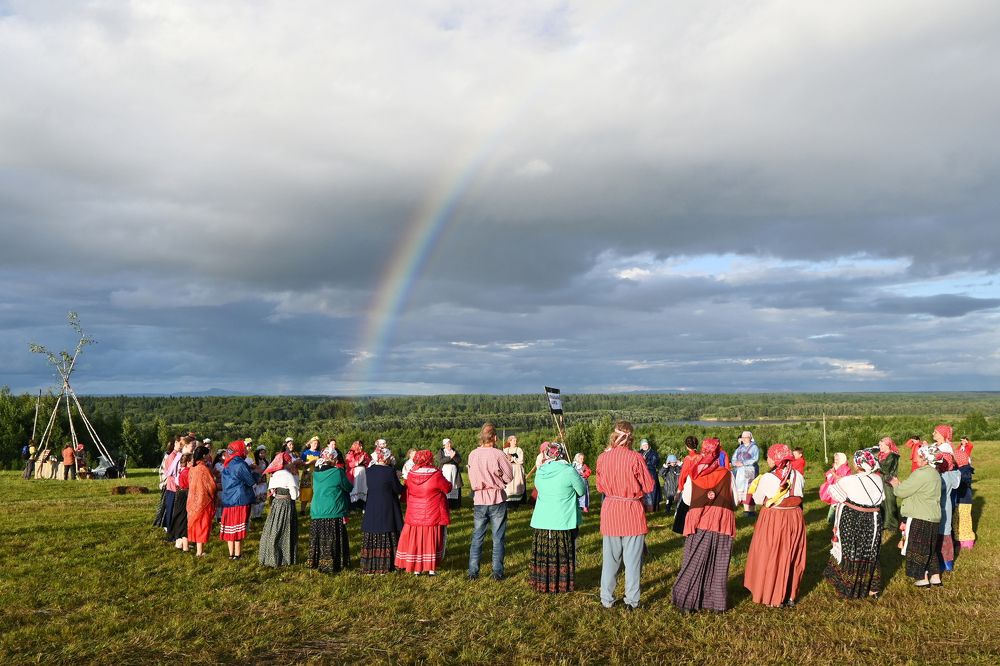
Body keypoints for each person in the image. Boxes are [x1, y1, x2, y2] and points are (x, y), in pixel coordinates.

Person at [671, 438, 737, 614]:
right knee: (719, 563)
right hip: (721, 521)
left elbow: (687, 500)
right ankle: (716, 603)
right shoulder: (727, 474)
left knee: (694, 561)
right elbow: (735, 500)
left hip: (699, 521)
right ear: (718, 453)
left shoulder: (694, 474)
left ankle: (687, 601)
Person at [597, 421, 654, 610]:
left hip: (611, 511)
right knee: (632, 562)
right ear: (631, 438)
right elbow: (649, 486)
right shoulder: (635, 458)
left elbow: (599, 487)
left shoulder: (602, 458)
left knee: (610, 561)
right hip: (632, 512)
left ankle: (606, 599)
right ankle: (632, 601)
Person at [743, 444, 806, 608]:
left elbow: (757, 499)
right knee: (791, 553)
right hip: (795, 516)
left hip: (775, 517)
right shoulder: (798, 475)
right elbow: (800, 495)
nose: (768, 459)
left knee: (771, 552)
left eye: (770, 457)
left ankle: (771, 594)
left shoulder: (768, 478)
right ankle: (789, 594)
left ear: (776, 460)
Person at [823, 448, 885, 599]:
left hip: (852, 518)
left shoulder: (849, 480)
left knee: (850, 550)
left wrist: (835, 479)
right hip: (874, 519)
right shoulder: (878, 479)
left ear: (858, 465)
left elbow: (833, 493)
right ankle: (872, 588)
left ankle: (849, 588)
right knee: (870, 551)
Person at [530, 442, 586, 593]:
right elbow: (581, 491)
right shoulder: (569, 471)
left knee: (544, 555)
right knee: (563, 554)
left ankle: (543, 583)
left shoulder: (541, 471)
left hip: (542, 520)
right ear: (562, 454)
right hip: (563, 520)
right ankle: (561, 585)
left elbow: (539, 488)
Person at [891, 443, 943, 588]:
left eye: (919, 456)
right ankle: (935, 577)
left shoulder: (921, 473)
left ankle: (922, 578)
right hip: (933, 516)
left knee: (917, 548)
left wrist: (896, 484)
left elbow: (901, 492)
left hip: (920, 516)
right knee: (930, 548)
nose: (916, 458)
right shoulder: (935, 473)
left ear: (926, 459)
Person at [466, 424, 514, 580]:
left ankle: (473, 572)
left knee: (477, 537)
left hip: (479, 498)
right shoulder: (498, 454)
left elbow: (471, 475)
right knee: (498, 538)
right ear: (495, 438)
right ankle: (497, 573)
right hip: (496, 498)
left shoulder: (473, 454)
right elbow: (509, 477)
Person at [396, 450, 452, 575]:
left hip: (415, 512)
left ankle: (417, 569)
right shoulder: (436, 474)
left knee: (416, 540)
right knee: (430, 539)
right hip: (432, 511)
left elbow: (406, 492)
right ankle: (431, 569)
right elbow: (447, 488)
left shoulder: (411, 474)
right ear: (430, 460)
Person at [360, 446, 404, 574]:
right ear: (385, 458)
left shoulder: (368, 471)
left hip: (372, 504)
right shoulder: (389, 471)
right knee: (387, 529)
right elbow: (398, 489)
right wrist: (399, 480)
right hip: (387, 504)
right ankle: (388, 563)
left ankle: (370, 565)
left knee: (373, 530)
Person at [309, 448, 354, 573]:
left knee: (320, 538)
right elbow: (348, 487)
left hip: (318, 509)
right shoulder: (338, 472)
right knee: (333, 538)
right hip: (333, 509)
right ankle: (334, 563)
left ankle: (317, 561)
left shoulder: (315, 474)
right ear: (333, 459)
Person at [258, 451, 300, 567]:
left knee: (274, 529)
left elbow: (272, 491)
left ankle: (270, 556)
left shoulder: (274, 475)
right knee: (286, 530)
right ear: (286, 463)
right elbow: (294, 496)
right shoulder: (288, 475)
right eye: (290, 462)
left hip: (276, 504)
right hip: (286, 505)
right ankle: (283, 558)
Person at [220, 440, 257, 561]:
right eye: (244, 448)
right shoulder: (240, 464)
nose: (246, 450)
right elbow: (250, 481)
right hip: (240, 499)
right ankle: (238, 554)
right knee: (239, 528)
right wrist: (257, 473)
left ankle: (231, 554)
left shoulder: (227, 464)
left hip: (228, 500)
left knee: (231, 528)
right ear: (239, 450)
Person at [186, 446, 217, 557]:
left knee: (196, 525)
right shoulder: (203, 469)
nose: (209, 456)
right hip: (203, 501)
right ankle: (200, 551)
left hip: (192, 500)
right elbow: (211, 486)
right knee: (202, 526)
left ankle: (198, 550)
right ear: (204, 455)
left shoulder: (192, 468)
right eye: (208, 454)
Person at [948, 429, 976, 551]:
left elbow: (958, 483)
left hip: (962, 500)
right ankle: (962, 541)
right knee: (962, 520)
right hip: (964, 500)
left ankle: (965, 541)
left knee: (961, 520)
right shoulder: (966, 469)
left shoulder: (962, 472)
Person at [935, 442, 960, 571]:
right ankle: (948, 562)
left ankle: (941, 561)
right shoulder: (953, 475)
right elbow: (956, 484)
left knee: (939, 534)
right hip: (947, 507)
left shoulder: (939, 476)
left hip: (937, 507)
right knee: (946, 533)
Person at [672, 436, 701, 534]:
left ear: (687, 446)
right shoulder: (701, 456)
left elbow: (683, 475)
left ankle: (685, 529)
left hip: (691, 484)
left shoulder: (688, 458)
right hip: (701, 485)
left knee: (685, 508)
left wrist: (679, 490)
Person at [169, 453, 194, 551]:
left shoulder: (182, 471)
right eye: (192, 461)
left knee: (182, 519)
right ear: (188, 462)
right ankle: (185, 546)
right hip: (185, 496)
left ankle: (182, 544)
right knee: (184, 520)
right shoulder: (187, 472)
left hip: (181, 495)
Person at [732, 431, 760, 516]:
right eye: (743, 437)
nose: (744, 439)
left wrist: (743, 463)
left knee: (749, 489)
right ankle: (746, 509)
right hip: (739, 471)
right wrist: (735, 463)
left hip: (750, 470)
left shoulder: (754, 447)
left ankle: (751, 510)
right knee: (741, 489)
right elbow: (733, 458)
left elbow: (755, 459)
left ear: (750, 438)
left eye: (746, 437)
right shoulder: (740, 448)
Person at [876, 438, 901, 533]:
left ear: (888, 445)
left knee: (890, 501)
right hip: (881, 480)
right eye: (879, 445)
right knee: (882, 501)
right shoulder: (881, 455)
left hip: (889, 481)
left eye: (881, 445)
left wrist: (875, 464)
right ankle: (884, 522)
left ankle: (893, 524)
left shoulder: (893, 456)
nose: (879, 447)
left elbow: (886, 469)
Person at [820, 452, 851, 523]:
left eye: (837, 459)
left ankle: (834, 521)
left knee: (835, 510)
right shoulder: (836, 467)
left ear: (842, 459)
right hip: (835, 492)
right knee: (835, 508)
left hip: (841, 492)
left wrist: (833, 473)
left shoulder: (845, 468)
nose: (835, 461)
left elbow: (841, 479)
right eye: (835, 459)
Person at [436, 438, 464, 510]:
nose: (449, 445)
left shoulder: (454, 451)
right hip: (445, 472)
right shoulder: (441, 451)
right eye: (447, 444)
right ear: (444, 445)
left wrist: (454, 456)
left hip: (454, 472)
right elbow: (441, 460)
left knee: (454, 486)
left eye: (450, 443)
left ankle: (454, 504)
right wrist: (450, 457)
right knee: (445, 486)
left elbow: (459, 460)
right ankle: (445, 503)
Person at [299, 436, 322, 516]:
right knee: (306, 491)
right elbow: (301, 463)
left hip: (316, 474)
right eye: (314, 443)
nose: (316, 445)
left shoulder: (319, 453)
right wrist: (310, 463)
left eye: (317, 444)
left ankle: (314, 510)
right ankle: (302, 510)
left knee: (315, 491)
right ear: (310, 444)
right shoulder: (305, 453)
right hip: (307, 475)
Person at [346, 441, 371, 510]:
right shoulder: (350, 453)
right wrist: (359, 462)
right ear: (356, 446)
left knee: (363, 488)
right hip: (354, 475)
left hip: (363, 474)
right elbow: (349, 464)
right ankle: (353, 506)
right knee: (355, 488)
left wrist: (365, 461)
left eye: (362, 446)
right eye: (360, 446)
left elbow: (369, 462)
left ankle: (362, 505)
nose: (361, 447)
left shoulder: (364, 453)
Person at [638, 439, 662, 513]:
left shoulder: (653, 453)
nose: (645, 446)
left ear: (648, 445)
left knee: (652, 490)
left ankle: (653, 507)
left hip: (651, 473)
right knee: (643, 490)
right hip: (641, 474)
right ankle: (643, 507)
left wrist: (644, 462)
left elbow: (654, 463)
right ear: (641, 446)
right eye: (643, 445)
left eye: (646, 444)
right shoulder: (639, 453)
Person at [503, 436, 527, 506]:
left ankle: (518, 501)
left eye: (516, 440)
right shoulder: (505, 450)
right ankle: (508, 500)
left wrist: (512, 458)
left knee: (517, 483)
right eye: (514, 440)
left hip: (517, 470)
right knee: (509, 485)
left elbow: (521, 460)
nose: (515, 442)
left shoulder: (519, 450)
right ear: (510, 441)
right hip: (509, 468)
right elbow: (503, 460)